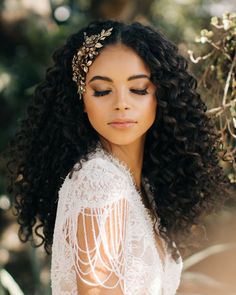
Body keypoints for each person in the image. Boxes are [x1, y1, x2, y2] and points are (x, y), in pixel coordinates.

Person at [6, 19, 232, 295]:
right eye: (102, 91)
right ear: (81, 100)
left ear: (160, 96)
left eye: (138, 89)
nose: (121, 103)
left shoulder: (139, 185)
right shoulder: (100, 182)